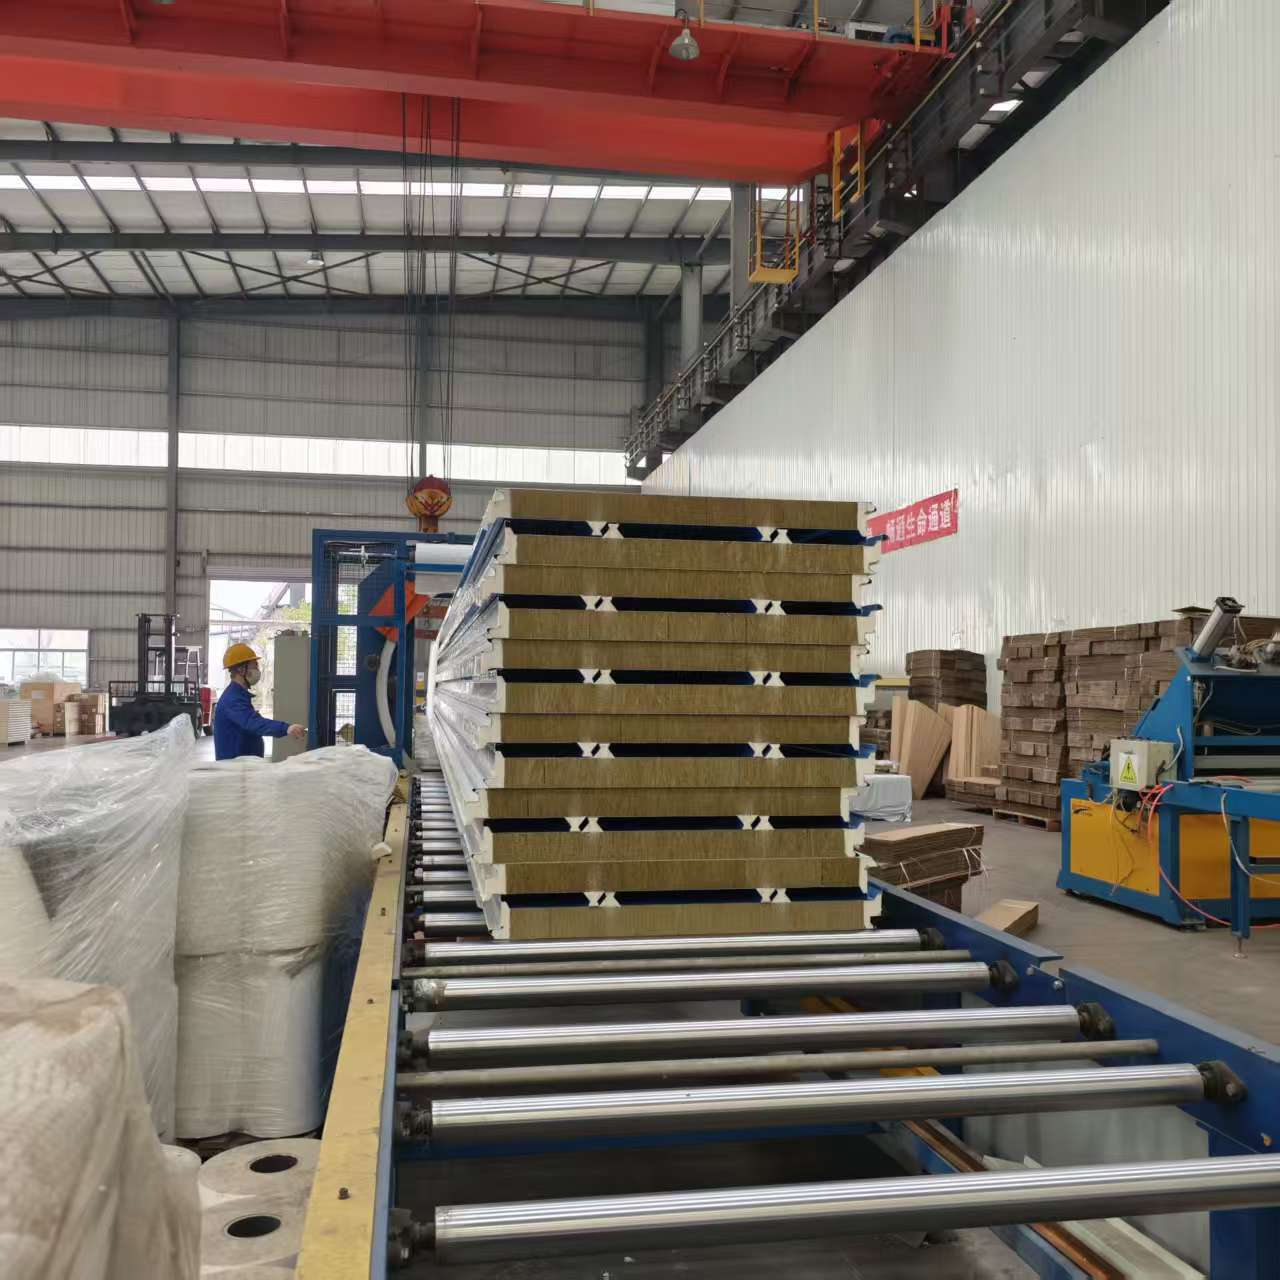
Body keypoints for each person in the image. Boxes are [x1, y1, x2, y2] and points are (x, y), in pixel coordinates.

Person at [213, 643, 306, 761]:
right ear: (241, 670)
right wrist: (287, 728)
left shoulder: (238, 696)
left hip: (242, 765)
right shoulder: (232, 700)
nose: (257, 670)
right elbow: (253, 723)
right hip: (235, 767)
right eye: (254, 666)